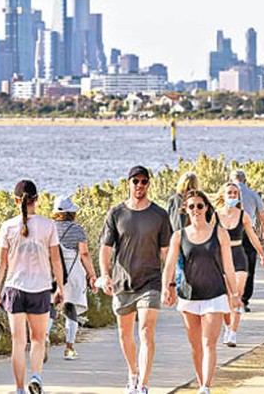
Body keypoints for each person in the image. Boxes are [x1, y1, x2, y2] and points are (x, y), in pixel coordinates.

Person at [99, 165, 172, 394]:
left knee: (146, 331)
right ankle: (133, 374)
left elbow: (166, 252)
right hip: (123, 283)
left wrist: (170, 283)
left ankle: (143, 385)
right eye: (135, 181)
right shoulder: (116, 214)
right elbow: (105, 249)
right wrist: (105, 274)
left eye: (143, 181)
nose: (139, 185)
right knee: (125, 334)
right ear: (128, 183)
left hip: (150, 282)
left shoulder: (159, 215)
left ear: (148, 184)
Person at [161, 190, 240, 394]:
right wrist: (166, 288)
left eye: (199, 206)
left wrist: (234, 294)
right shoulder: (179, 236)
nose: (195, 210)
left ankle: (206, 387)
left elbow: (228, 266)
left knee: (209, 343)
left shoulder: (219, 233)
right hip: (189, 296)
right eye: (191, 206)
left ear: (206, 207)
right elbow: (169, 265)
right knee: (195, 347)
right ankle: (200, 381)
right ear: (185, 210)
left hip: (216, 294)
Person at [0, 180, 65, 394]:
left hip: (14, 289)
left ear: (16, 201)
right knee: (39, 339)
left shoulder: (7, 226)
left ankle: (20, 389)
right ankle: (36, 376)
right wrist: (60, 287)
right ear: (37, 199)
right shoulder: (48, 225)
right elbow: (56, 260)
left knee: (18, 342)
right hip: (40, 289)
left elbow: (1, 263)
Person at [214, 182, 264, 348]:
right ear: (223, 195)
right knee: (226, 296)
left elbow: (252, 236)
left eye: (235, 194)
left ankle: (233, 333)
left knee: (237, 294)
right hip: (222, 257)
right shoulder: (215, 215)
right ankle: (227, 326)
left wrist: (262, 253)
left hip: (238, 256)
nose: (232, 196)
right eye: (229, 193)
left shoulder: (243, 215)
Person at [49, 196, 97, 361]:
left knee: (51, 307)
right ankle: (69, 348)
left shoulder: (49, 228)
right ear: (71, 212)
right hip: (73, 272)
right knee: (71, 308)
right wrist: (92, 274)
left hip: (52, 272)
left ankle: (44, 339)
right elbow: (84, 254)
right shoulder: (77, 229)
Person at [229, 170, 264, 312]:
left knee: (229, 266)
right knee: (248, 267)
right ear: (245, 181)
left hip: (230, 232)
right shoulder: (253, 194)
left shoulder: (226, 192)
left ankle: (230, 298)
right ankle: (243, 301)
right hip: (248, 232)